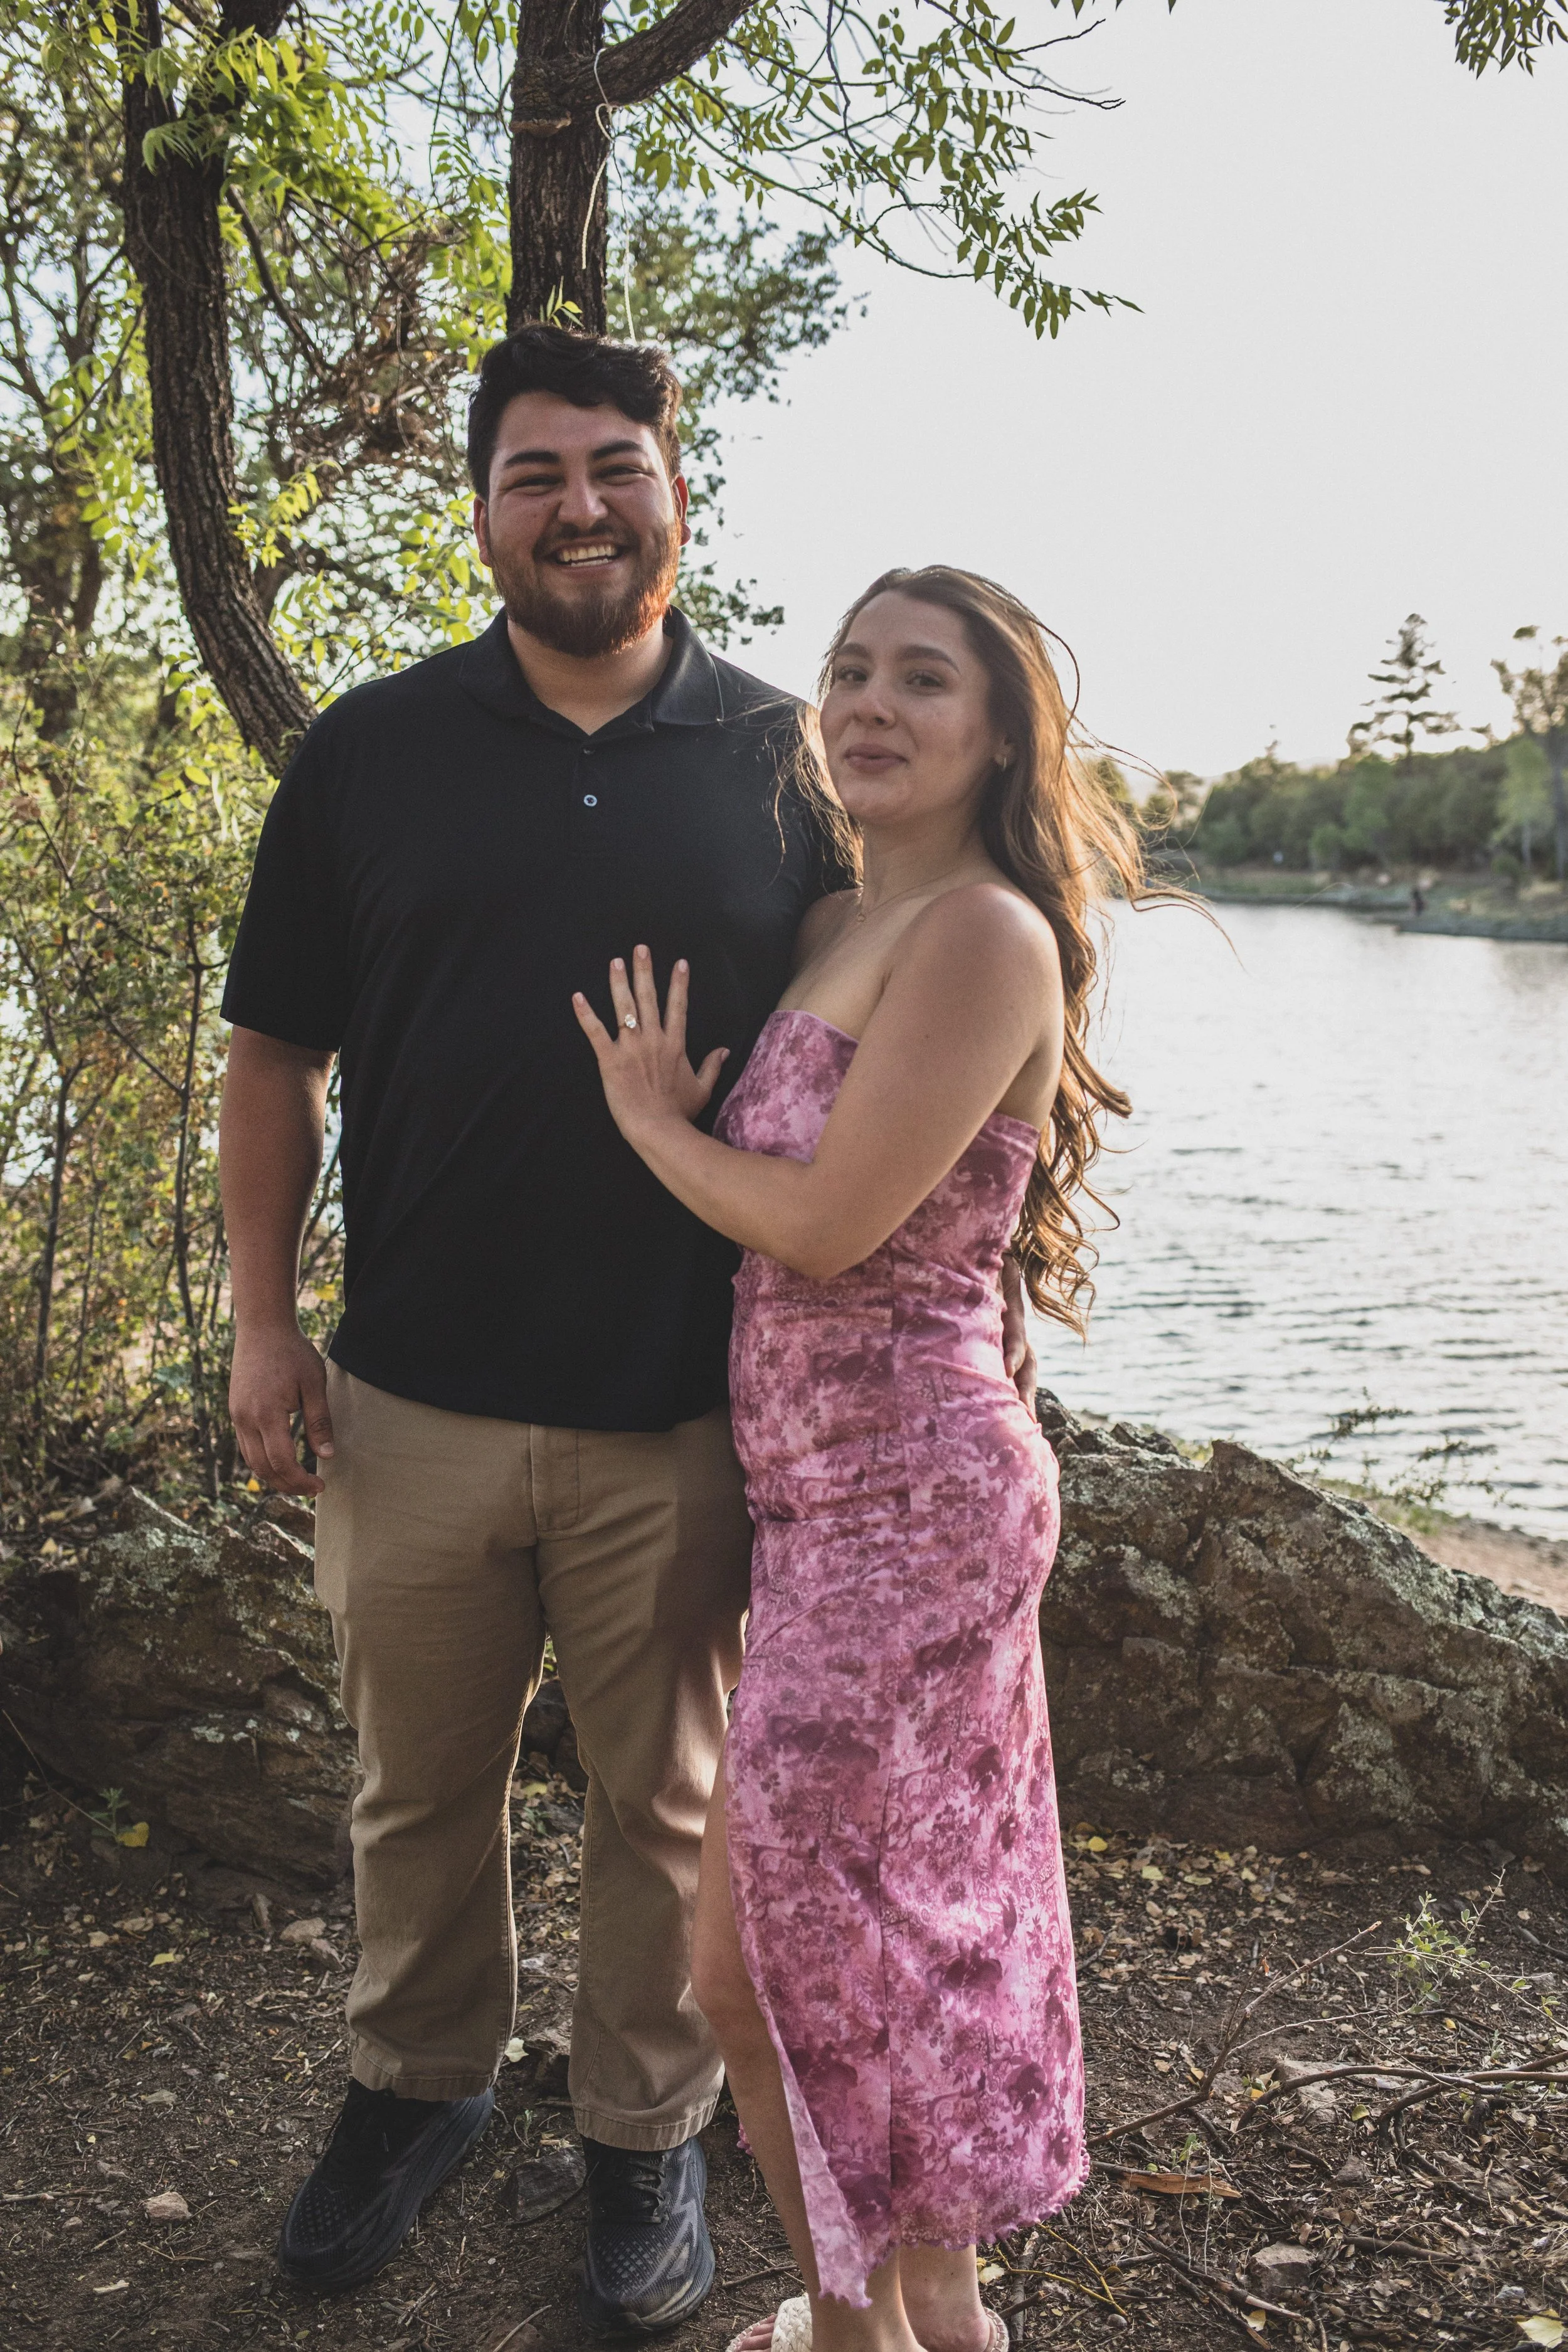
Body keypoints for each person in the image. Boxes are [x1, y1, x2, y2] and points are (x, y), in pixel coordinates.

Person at [218, 329, 1036, 2323]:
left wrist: (981, 1329)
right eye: (533, 474)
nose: (577, 504)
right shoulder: (368, 751)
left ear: (679, 495)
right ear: (484, 510)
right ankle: (412, 2092)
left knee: (670, 1810)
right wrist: (262, 1322)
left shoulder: (794, 768)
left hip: (683, 1411)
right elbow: (270, 1059)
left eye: (614, 467)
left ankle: (641, 2141)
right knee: (413, 1783)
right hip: (407, 1385)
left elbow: (929, 1068)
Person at [576, 566, 1148, 2352]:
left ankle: (899, 2326)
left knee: (773, 1961)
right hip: (832, 1510)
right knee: (853, 1951)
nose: (869, 702)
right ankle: (898, 2317)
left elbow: (826, 1226)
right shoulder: (837, 916)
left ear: (995, 736)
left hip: (913, 1514)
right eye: (846, 670)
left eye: (922, 678)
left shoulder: (982, 932)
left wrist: (652, 1125)